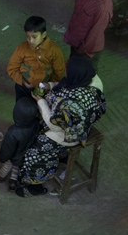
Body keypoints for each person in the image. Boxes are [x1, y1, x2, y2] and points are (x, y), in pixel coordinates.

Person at [16, 56, 106, 197]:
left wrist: (41, 102)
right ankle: (62, 155)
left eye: (67, 71)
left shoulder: (73, 103)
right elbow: (69, 83)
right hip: (80, 123)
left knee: (36, 149)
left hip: (69, 133)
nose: (65, 73)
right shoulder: (89, 79)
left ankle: (34, 184)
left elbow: (54, 125)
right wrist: (50, 86)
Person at [63, 0, 114, 70]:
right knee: (72, 69)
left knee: (84, 76)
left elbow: (94, 35)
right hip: (76, 40)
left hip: (86, 50)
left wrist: (81, 53)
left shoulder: (103, 9)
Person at [6, 16, 66, 99]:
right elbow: (12, 68)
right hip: (23, 85)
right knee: (21, 106)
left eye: (34, 37)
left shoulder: (55, 50)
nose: (30, 41)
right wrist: (23, 82)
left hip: (43, 89)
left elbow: (58, 72)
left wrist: (49, 86)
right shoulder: (22, 48)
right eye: (28, 37)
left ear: (44, 34)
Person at [0, 96, 41, 192]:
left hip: (14, 156)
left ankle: (1, 177)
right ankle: (12, 183)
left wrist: (2, 158)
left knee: (7, 165)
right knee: (17, 167)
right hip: (26, 153)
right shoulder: (36, 124)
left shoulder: (13, 132)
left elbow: (7, 149)